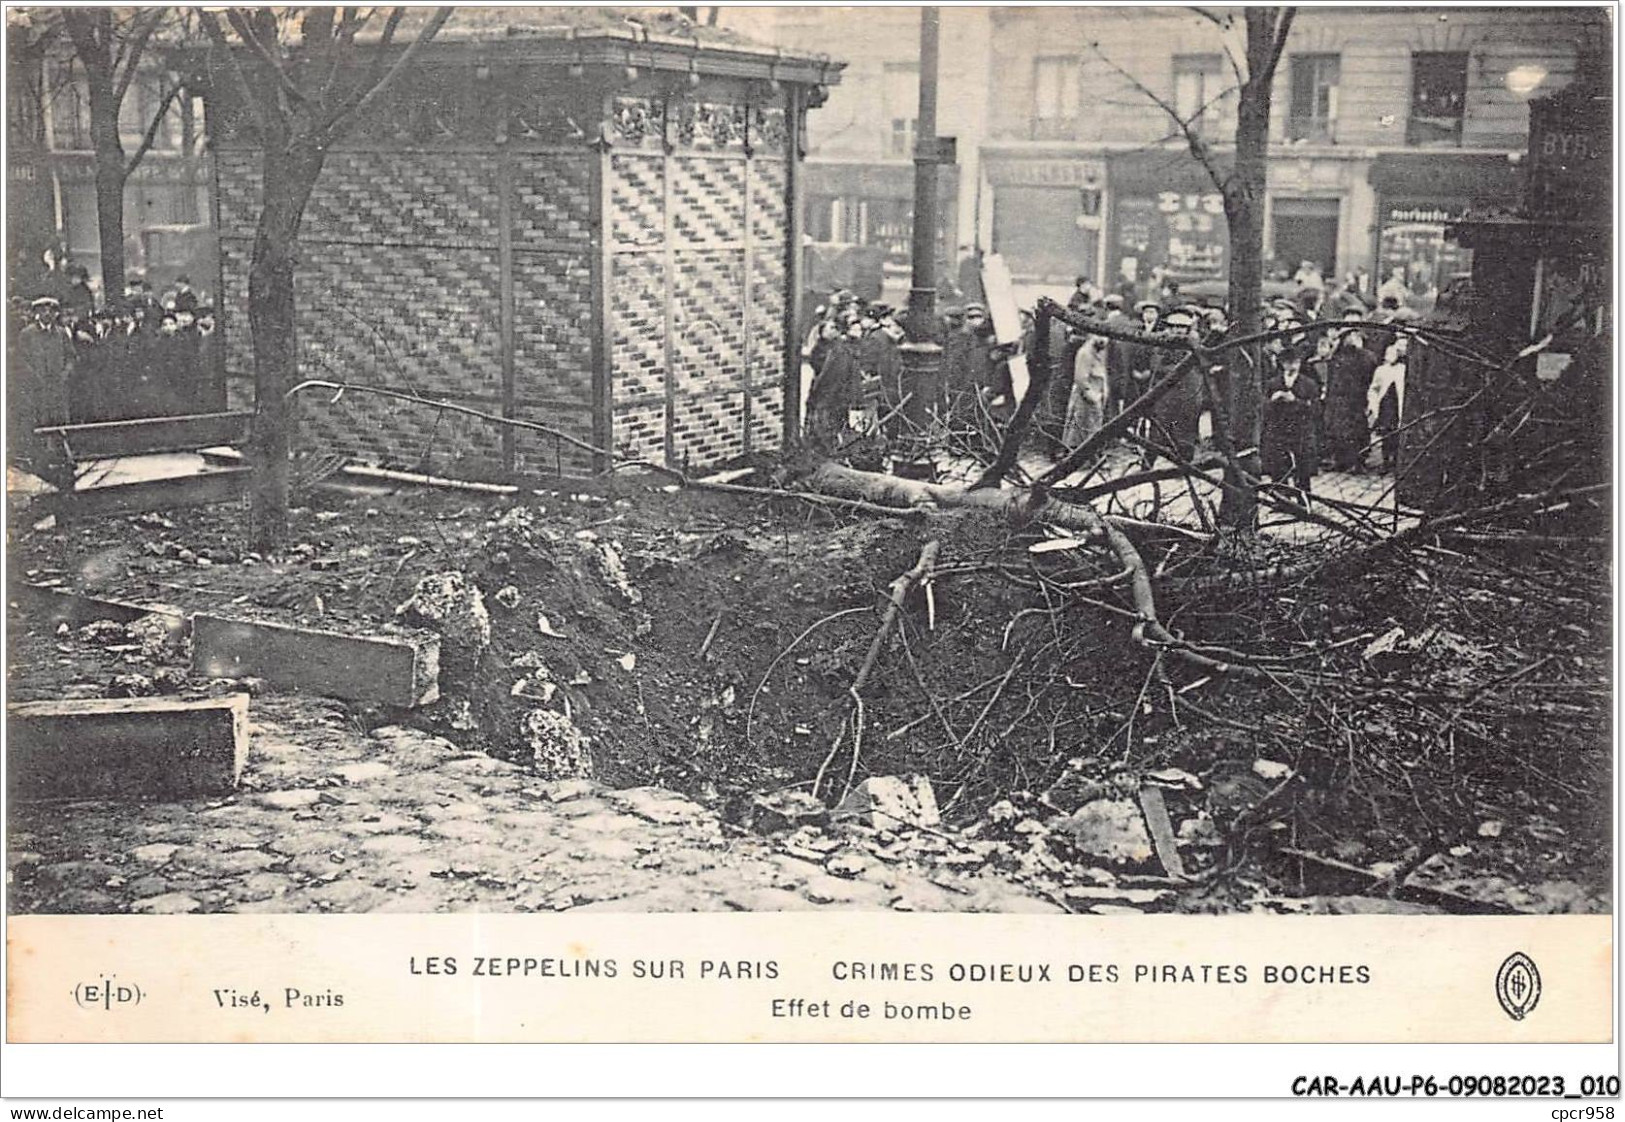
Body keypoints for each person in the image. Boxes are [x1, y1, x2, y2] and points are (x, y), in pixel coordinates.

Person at [1261, 344, 1320, 501]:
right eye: (1287, 362)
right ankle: (1281, 499)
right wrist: (1272, 400)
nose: (1291, 366)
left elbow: (1315, 408)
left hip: (1300, 429)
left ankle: (1304, 500)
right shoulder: (1273, 383)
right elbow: (1262, 407)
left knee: (1302, 466)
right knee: (1278, 465)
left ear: (1300, 363)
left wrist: (1296, 401)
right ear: (1282, 364)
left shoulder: (1309, 383)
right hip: (1278, 429)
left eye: (1294, 362)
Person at [1322, 310, 1378, 471]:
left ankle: (1358, 460)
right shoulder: (1337, 357)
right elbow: (1333, 378)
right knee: (1338, 429)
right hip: (1339, 398)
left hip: (1358, 398)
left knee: (1358, 429)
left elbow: (1370, 376)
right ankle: (1342, 460)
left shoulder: (1367, 356)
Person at [1367, 336, 1407, 472]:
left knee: (1396, 434)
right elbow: (1374, 388)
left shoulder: (1403, 369)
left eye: (1393, 354)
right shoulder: (1381, 370)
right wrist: (1373, 403)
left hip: (1397, 406)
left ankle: (1395, 461)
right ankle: (1385, 461)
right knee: (1385, 434)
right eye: (1388, 354)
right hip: (1385, 407)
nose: (1390, 357)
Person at [1063, 333, 1110, 449]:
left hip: (1097, 396)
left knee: (1093, 429)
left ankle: (1093, 456)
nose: (1103, 339)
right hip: (1085, 398)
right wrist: (1093, 396)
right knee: (1080, 431)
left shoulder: (1099, 352)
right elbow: (1080, 378)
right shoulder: (1085, 353)